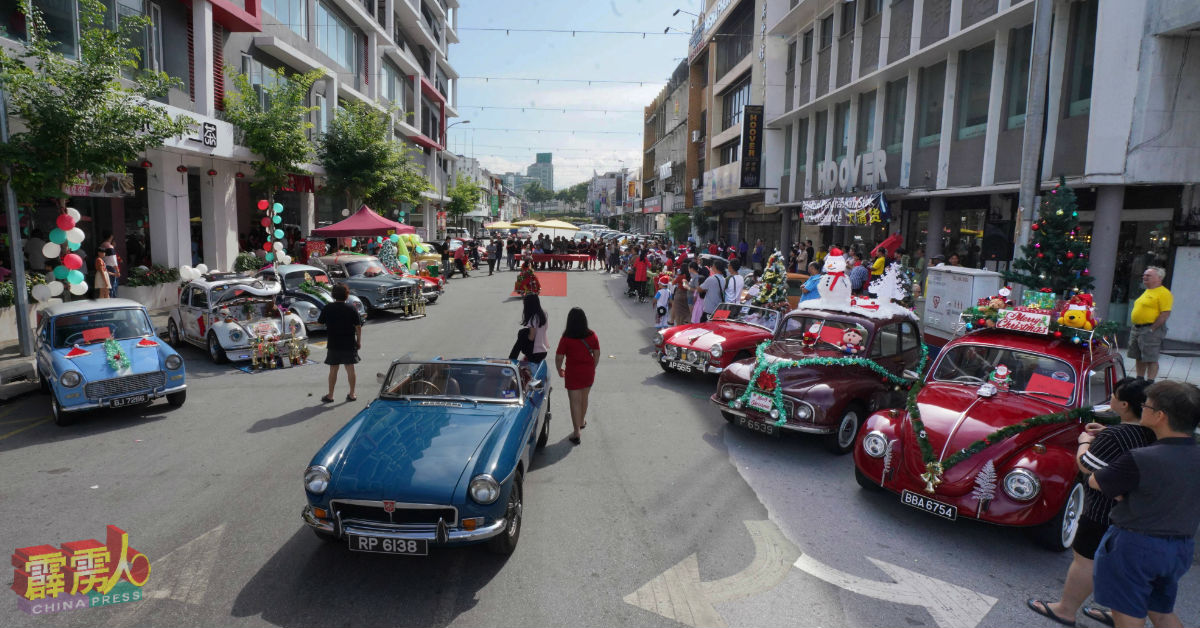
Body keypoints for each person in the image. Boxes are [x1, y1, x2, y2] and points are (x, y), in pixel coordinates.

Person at [1027, 378, 1155, 628]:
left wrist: (1085, 441)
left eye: (1115, 396)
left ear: (1126, 404)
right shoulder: (1153, 434)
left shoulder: (1117, 434)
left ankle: (1065, 610)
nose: (1112, 399)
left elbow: (1087, 465)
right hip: (1136, 515)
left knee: (1084, 560)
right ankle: (1120, 614)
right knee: (1124, 570)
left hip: (1102, 511)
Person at [1087, 380, 1200, 628]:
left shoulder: (1142, 458)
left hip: (1136, 545)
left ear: (1160, 416)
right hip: (1180, 547)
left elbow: (1096, 481)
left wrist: (1085, 443)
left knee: (1127, 613)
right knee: (1160, 611)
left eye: (1146, 406)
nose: (1143, 409)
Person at [555, 307, 599, 445]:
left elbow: (559, 357)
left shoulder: (566, 338)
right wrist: (593, 367)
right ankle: (581, 421)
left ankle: (576, 431)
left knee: (574, 402)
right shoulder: (592, 335)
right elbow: (597, 354)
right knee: (584, 398)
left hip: (572, 373)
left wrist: (559, 369)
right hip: (588, 372)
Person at [318, 284, 362, 403]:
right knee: (350, 368)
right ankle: (352, 394)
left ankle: (330, 395)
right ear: (347, 295)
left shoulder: (328, 308)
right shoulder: (351, 308)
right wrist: (358, 341)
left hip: (334, 343)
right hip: (349, 342)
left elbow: (320, 322)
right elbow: (358, 327)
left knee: (333, 369)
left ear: (333, 295)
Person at [1129, 267, 1172, 381]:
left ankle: (1149, 382)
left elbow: (1165, 313)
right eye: (1144, 275)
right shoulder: (1147, 291)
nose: (1144, 277)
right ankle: (1139, 379)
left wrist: (1152, 329)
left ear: (1159, 278)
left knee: (1150, 358)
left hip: (1150, 329)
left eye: (1148, 275)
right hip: (1138, 328)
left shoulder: (1164, 293)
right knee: (1138, 356)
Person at [509, 293, 549, 363]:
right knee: (524, 332)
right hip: (543, 350)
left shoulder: (533, 318)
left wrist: (522, 337)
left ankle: (512, 359)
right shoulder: (544, 313)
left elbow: (531, 337)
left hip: (534, 353)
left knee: (522, 334)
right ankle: (512, 357)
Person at [99, 232, 120, 298]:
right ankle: (112, 301)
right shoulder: (109, 246)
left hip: (104, 267)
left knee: (106, 287)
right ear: (111, 236)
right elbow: (113, 260)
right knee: (112, 287)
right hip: (111, 268)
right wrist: (117, 270)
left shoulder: (102, 245)